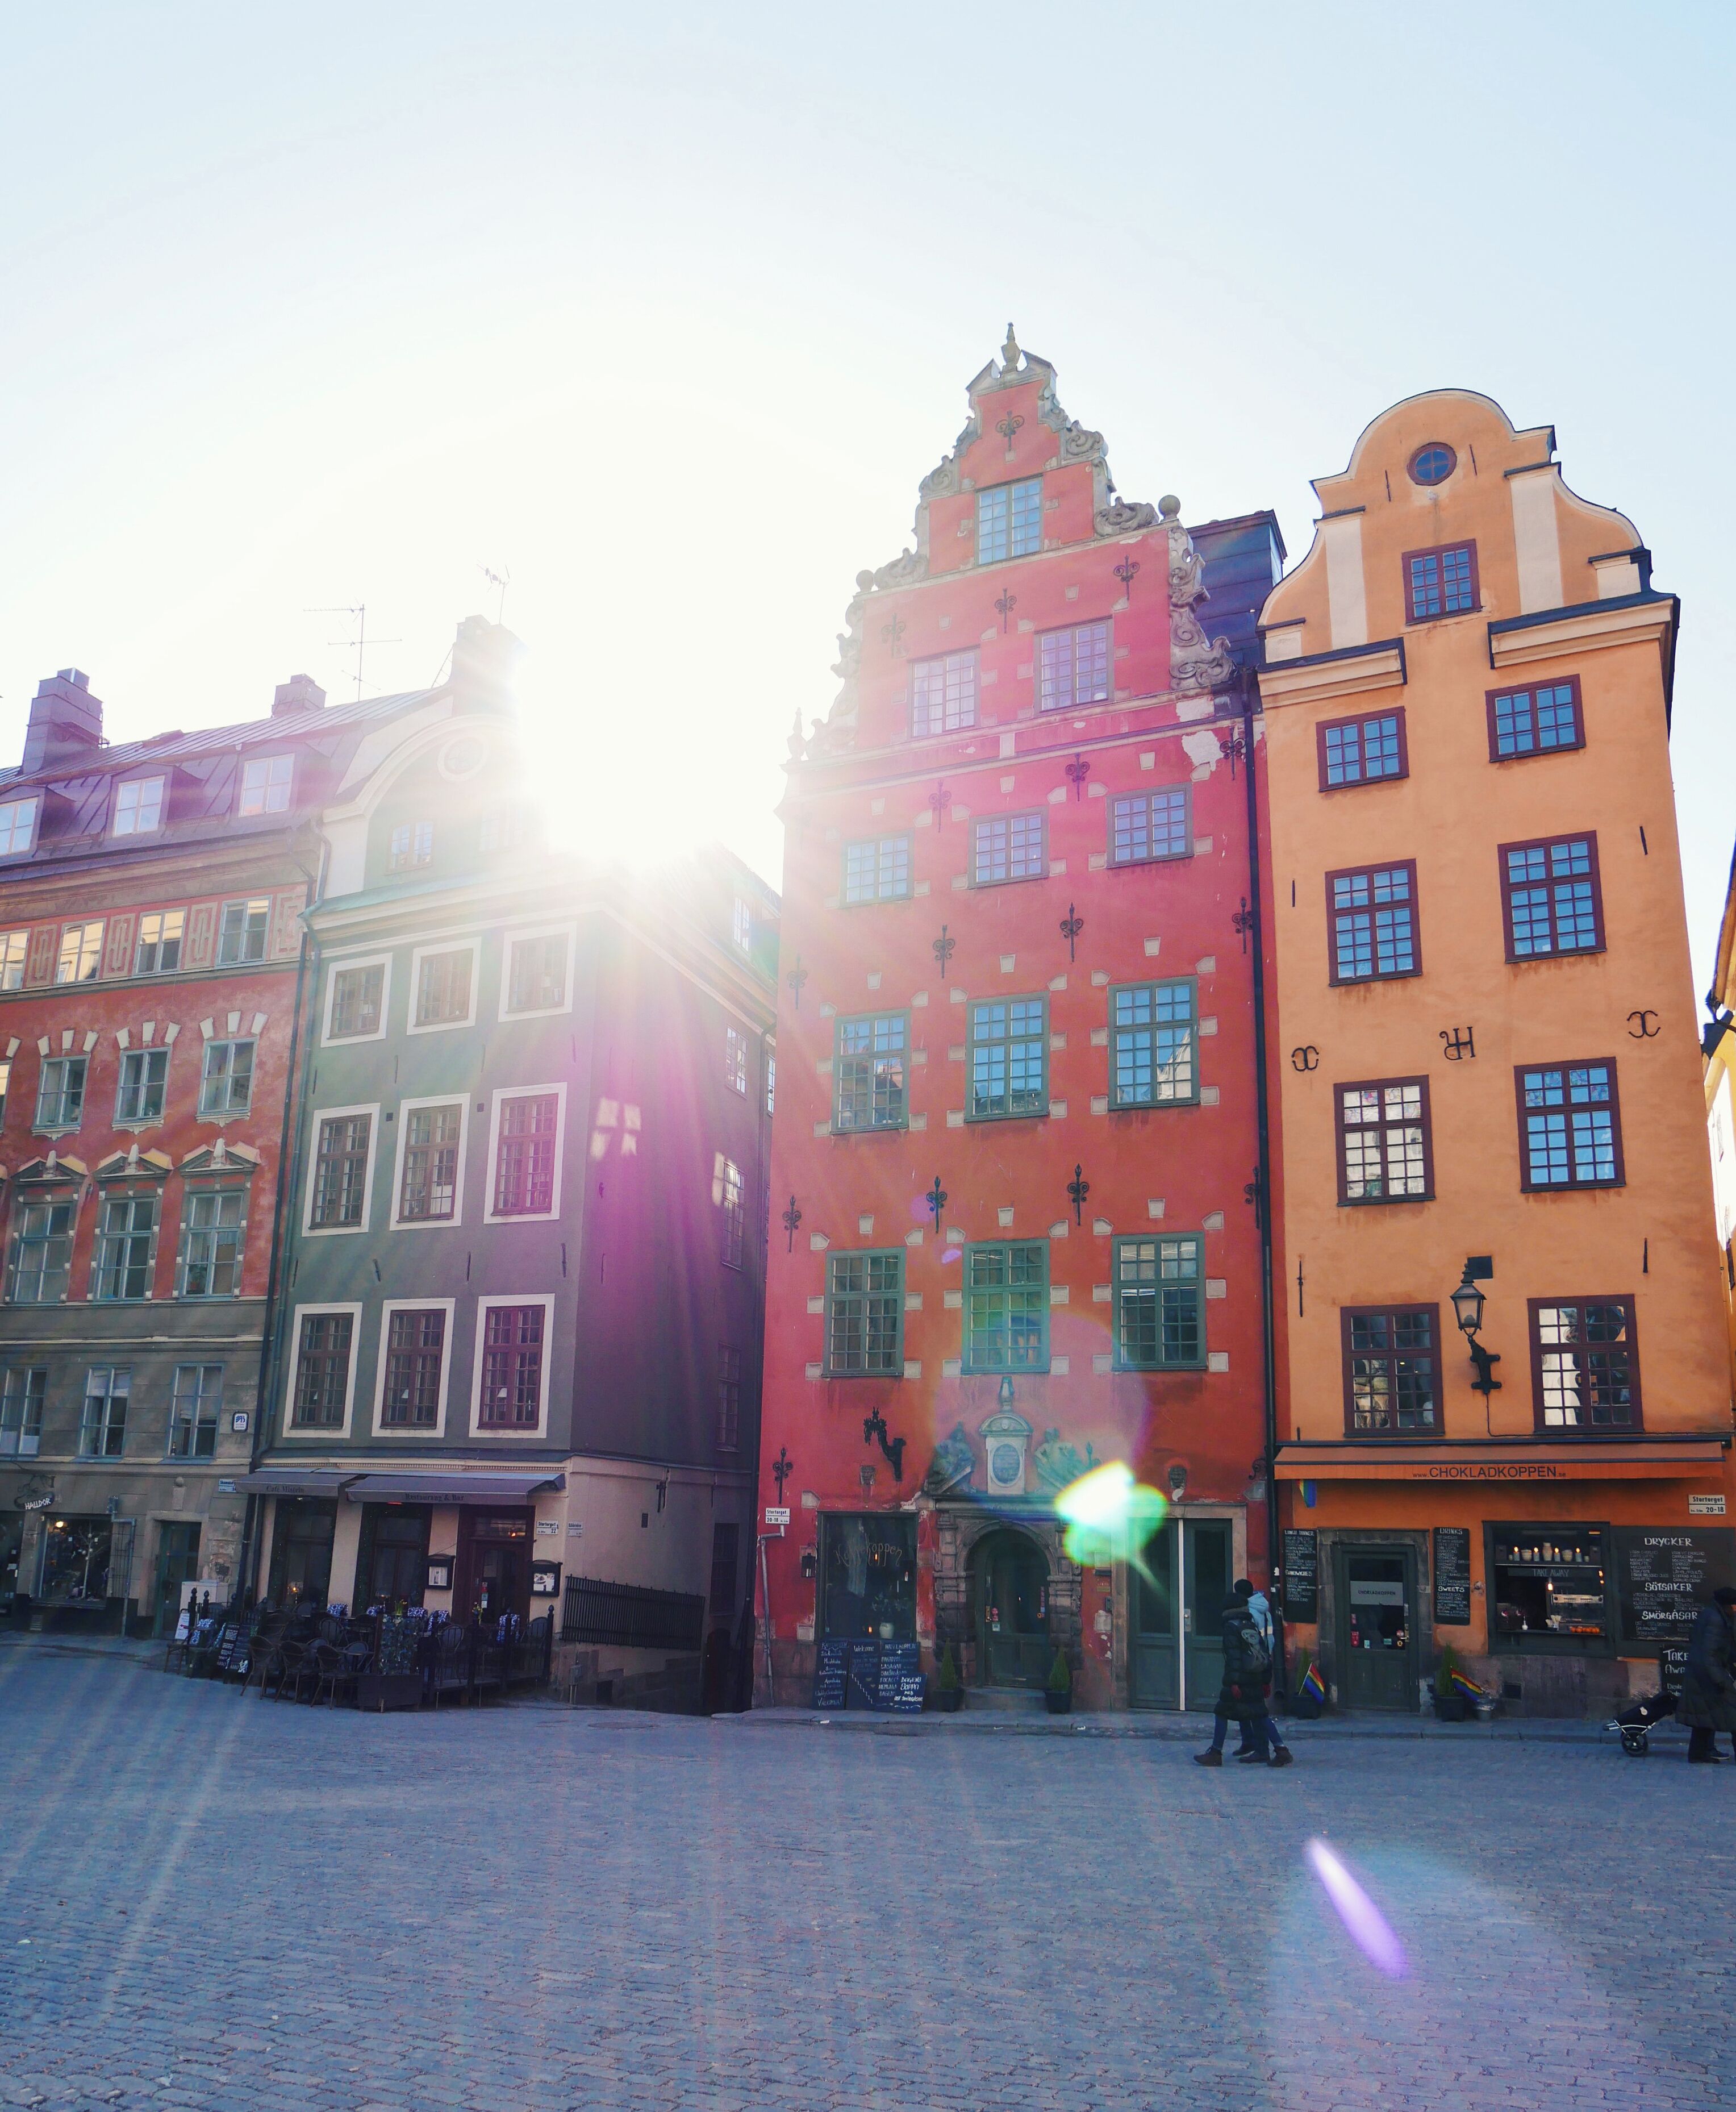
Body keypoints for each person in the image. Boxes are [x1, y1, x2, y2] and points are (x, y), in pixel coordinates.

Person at [1195, 1582, 1283, 1767]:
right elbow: (1263, 1652)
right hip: (1256, 1676)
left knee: (1221, 1712)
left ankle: (1216, 1752)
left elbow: (1234, 1657)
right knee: (1260, 1714)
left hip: (1241, 1679)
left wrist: (1234, 1683)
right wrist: (1266, 1679)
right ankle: (1281, 1749)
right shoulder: (1250, 1624)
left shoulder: (1231, 1627)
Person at [1233, 1580, 1295, 1767]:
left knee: (1257, 1709)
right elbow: (1271, 1638)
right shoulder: (1264, 1610)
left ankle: (1274, 1748)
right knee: (1247, 1705)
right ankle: (1252, 1743)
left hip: (1253, 1665)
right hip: (1264, 1661)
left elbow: (1249, 1642)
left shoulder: (1249, 1613)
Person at [1676, 1585, 1736, 1763]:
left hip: (1701, 1675)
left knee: (1705, 1717)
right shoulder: (1716, 1620)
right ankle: (1700, 1753)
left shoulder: (1713, 1614)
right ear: (1728, 1605)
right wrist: (1722, 1681)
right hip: (1709, 1676)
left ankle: (1699, 1753)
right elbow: (1709, 1654)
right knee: (1731, 1712)